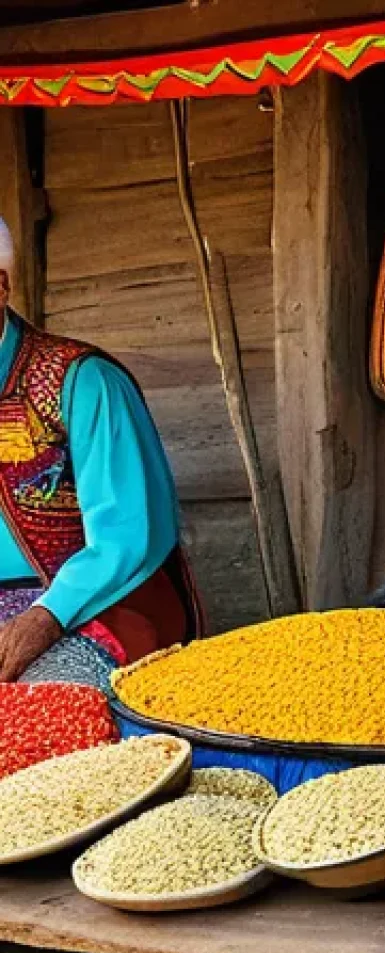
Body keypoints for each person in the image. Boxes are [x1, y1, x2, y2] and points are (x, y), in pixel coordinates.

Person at [0, 217, 203, 686]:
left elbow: (124, 537)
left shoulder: (82, 381)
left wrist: (45, 617)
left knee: (48, 707)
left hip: (92, 606)